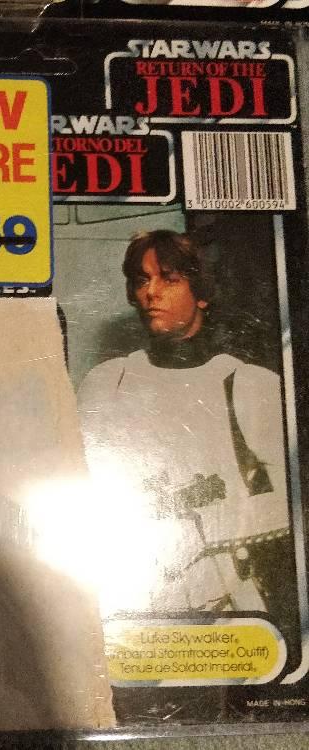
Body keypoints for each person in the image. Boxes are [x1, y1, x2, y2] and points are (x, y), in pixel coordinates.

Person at [77, 230, 291, 615]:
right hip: (137, 604)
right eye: (142, 280)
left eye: (169, 279)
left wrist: (205, 526)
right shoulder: (109, 382)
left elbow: (291, 504)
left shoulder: (245, 383)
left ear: (201, 293)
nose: (151, 293)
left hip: (231, 608)